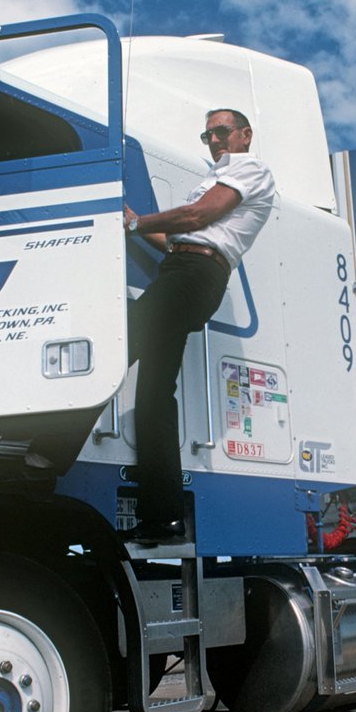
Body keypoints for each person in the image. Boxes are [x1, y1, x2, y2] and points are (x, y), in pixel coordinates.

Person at [122, 109, 276, 543]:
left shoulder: (251, 168)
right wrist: (132, 223)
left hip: (196, 275)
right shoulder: (211, 178)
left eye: (221, 131)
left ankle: (42, 459)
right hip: (181, 268)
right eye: (207, 134)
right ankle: (163, 519)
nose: (214, 139)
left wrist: (136, 222)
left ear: (246, 134)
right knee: (152, 396)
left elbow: (196, 219)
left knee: (111, 354)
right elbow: (177, 238)